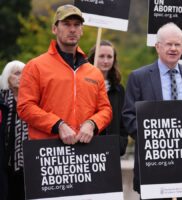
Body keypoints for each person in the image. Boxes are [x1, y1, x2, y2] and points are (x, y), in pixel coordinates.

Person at [122, 22, 182, 199]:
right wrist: (155, 136)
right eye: (168, 44)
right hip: (156, 164)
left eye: (177, 44)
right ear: (158, 47)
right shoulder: (139, 77)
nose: (173, 48)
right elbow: (128, 117)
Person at [17, 4, 112, 144]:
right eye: (66, 24)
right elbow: (25, 107)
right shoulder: (35, 66)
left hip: (84, 150)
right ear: (54, 29)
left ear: (82, 30)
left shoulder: (94, 72)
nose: (72, 29)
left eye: (77, 25)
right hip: (48, 151)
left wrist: (92, 123)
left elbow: (105, 110)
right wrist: (58, 125)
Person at [88, 40, 129, 156]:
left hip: (112, 150)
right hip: (87, 148)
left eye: (109, 57)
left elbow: (123, 121)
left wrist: (121, 144)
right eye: (101, 56)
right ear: (93, 58)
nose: (105, 61)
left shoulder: (119, 89)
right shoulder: (82, 84)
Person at [0, 60, 27, 200]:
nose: (21, 77)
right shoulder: (2, 99)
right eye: (17, 73)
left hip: (27, 161)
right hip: (5, 159)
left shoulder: (32, 99)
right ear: (7, 77)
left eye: (24, 73)